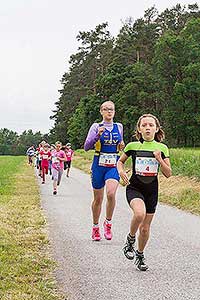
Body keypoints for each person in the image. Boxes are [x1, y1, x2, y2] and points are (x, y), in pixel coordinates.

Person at [117, 113, 172, 271]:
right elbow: (120, 162)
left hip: (152, 191)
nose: (147, 128)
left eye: (151, 125)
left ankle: (140, 255)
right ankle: (130, 239)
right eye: (144, 125)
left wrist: (159, 159)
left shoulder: (162, 148)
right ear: (139, 129)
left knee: (146, 228)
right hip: (135, 187)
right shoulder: (132, 146)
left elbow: (168, 173)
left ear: (156, 129)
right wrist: (121, 172)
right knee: (139, 214)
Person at [84, 100, 124, 241]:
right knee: (98, 199)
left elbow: (120, 146)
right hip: (98, 165)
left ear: (114, 111)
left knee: (111, 193)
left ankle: (108, 223)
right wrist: (97, 136)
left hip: (113, 165)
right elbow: (86, 147)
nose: (109, 112)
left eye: (111, 109)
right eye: (106, 109)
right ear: (101, 111)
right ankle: (95, 227)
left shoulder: (119, 127)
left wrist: (122, 146)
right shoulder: (96, 126)